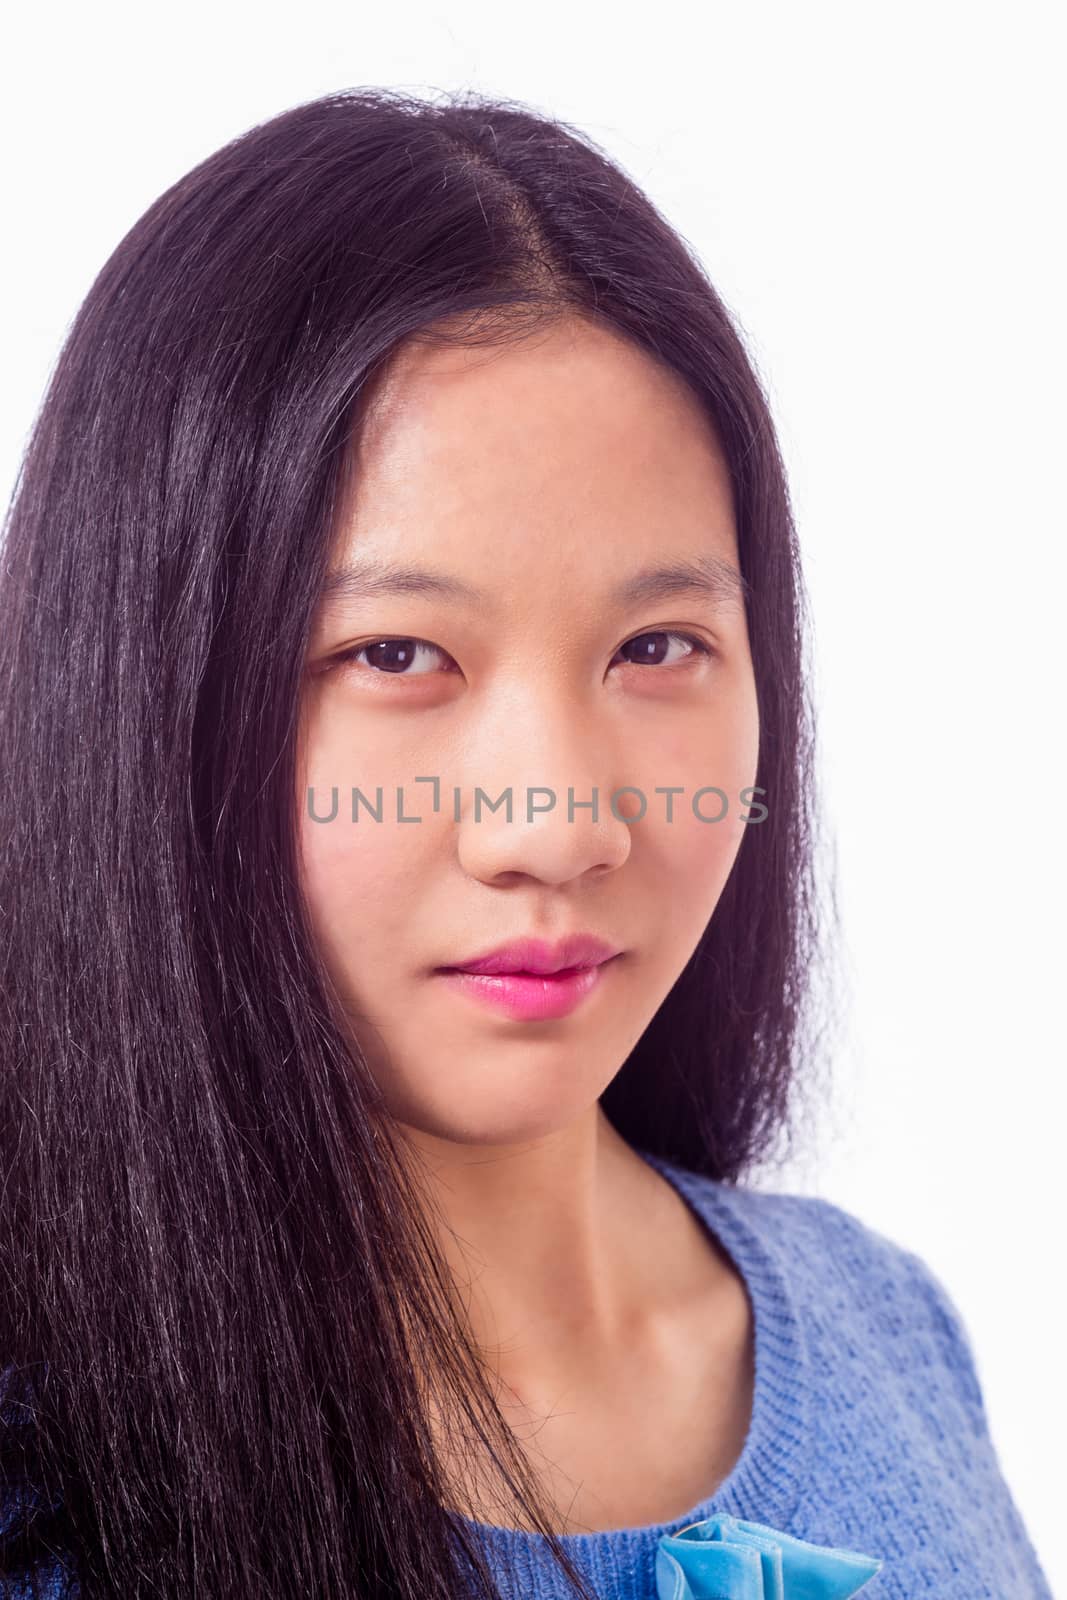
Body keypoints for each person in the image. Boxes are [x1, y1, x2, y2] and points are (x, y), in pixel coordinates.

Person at [0, 87, 1050, 1600]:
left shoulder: (887, 1332)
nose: (559, 825)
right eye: (397, 656)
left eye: (657, 646)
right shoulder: (47, 1490)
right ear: (144, 701)